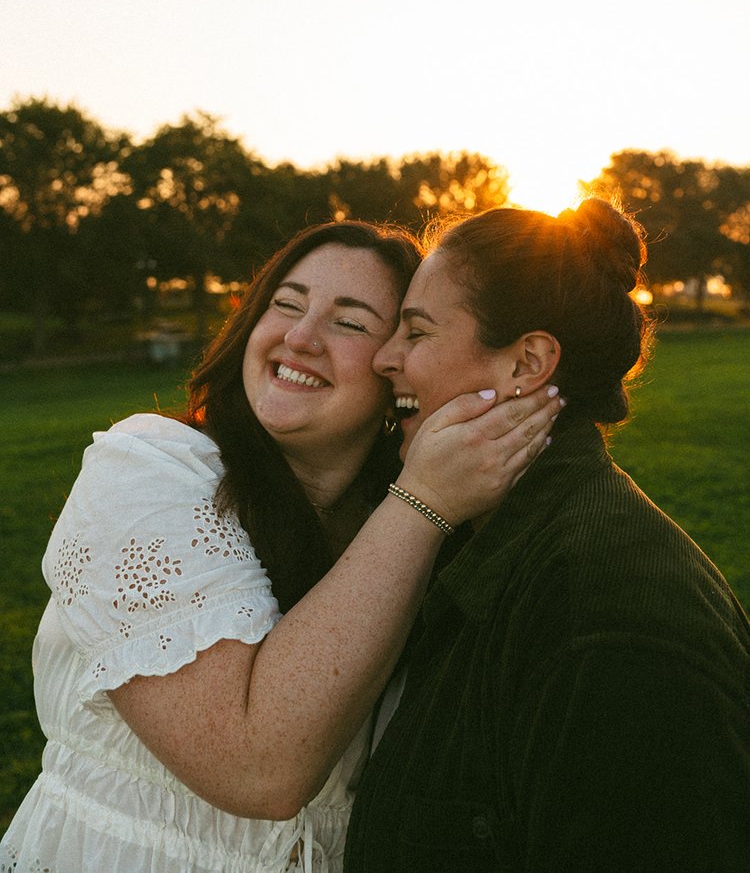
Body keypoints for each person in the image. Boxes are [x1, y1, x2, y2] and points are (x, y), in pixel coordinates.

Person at [0, 219, 562, 873]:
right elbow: (257, 766)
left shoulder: (402, 534)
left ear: (397, 367)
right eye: (286, 304)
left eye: (350, 322)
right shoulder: (150, 469)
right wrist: (424, 502)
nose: (300, 336)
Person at [344, 198, 750, 872]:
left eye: (416, 333)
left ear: (527, 362)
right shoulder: (474, 542)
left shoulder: (604, 621)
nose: (383, 358)